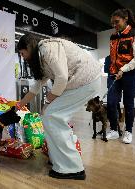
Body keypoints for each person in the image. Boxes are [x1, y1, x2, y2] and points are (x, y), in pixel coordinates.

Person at [16, 34, 102, 180]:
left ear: (29, 47)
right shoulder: (41, 59)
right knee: (49, 116)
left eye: (23, 53)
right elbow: (35, 88)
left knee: (52, 117)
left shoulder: (47, 49)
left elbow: (61, 77)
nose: (23, 57)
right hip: (81, 82)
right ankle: (60, 159)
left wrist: (50, 98)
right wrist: (19, 105)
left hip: (85, 80)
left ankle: (72, 168)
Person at [106, 9, 135, 144]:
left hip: (131, 73)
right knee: (111, 102)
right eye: (113, 23)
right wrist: (113, 70)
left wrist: (123, 69)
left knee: (128, 103)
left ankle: (128, 131)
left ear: (125, 19)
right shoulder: (113, 36)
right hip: (114, 73)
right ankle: (114, 130)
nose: (115, 25)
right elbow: (113, 57)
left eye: (117, 22)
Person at [104, 55, 124, 122]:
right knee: (113, 100)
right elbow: (105, 69)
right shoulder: (108, 58)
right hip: (112, 79)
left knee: (115, 100)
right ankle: (113, 117)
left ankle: (117, 117)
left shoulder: (121, 56)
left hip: (119, 79)